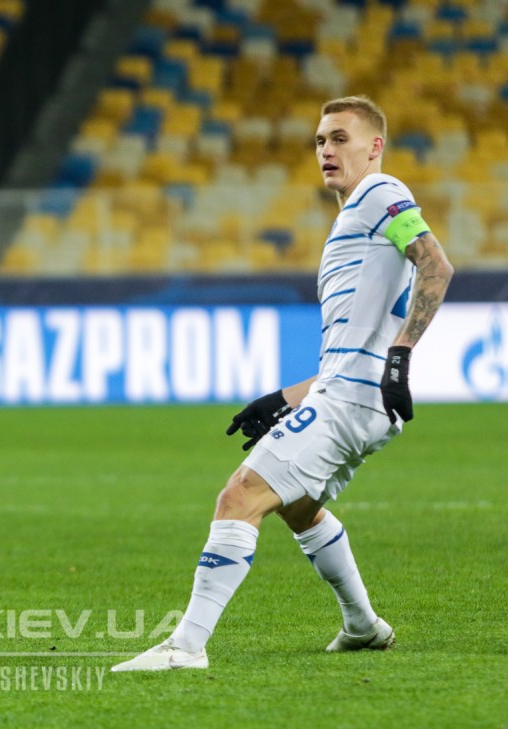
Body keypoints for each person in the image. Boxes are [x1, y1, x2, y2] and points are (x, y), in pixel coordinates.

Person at [113, 95, 454, 672]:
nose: (326, 150)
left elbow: (436, 265)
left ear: (375, 146)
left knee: (239, 496)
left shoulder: (380, 191)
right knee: (297, 506)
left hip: (355, 397)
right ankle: (363, 626)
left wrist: (401, 357)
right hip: (351, 391)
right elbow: (353, 345)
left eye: (340, 138)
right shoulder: (354, 218)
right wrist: (283, 399)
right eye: (320, 140)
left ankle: (185, 647)